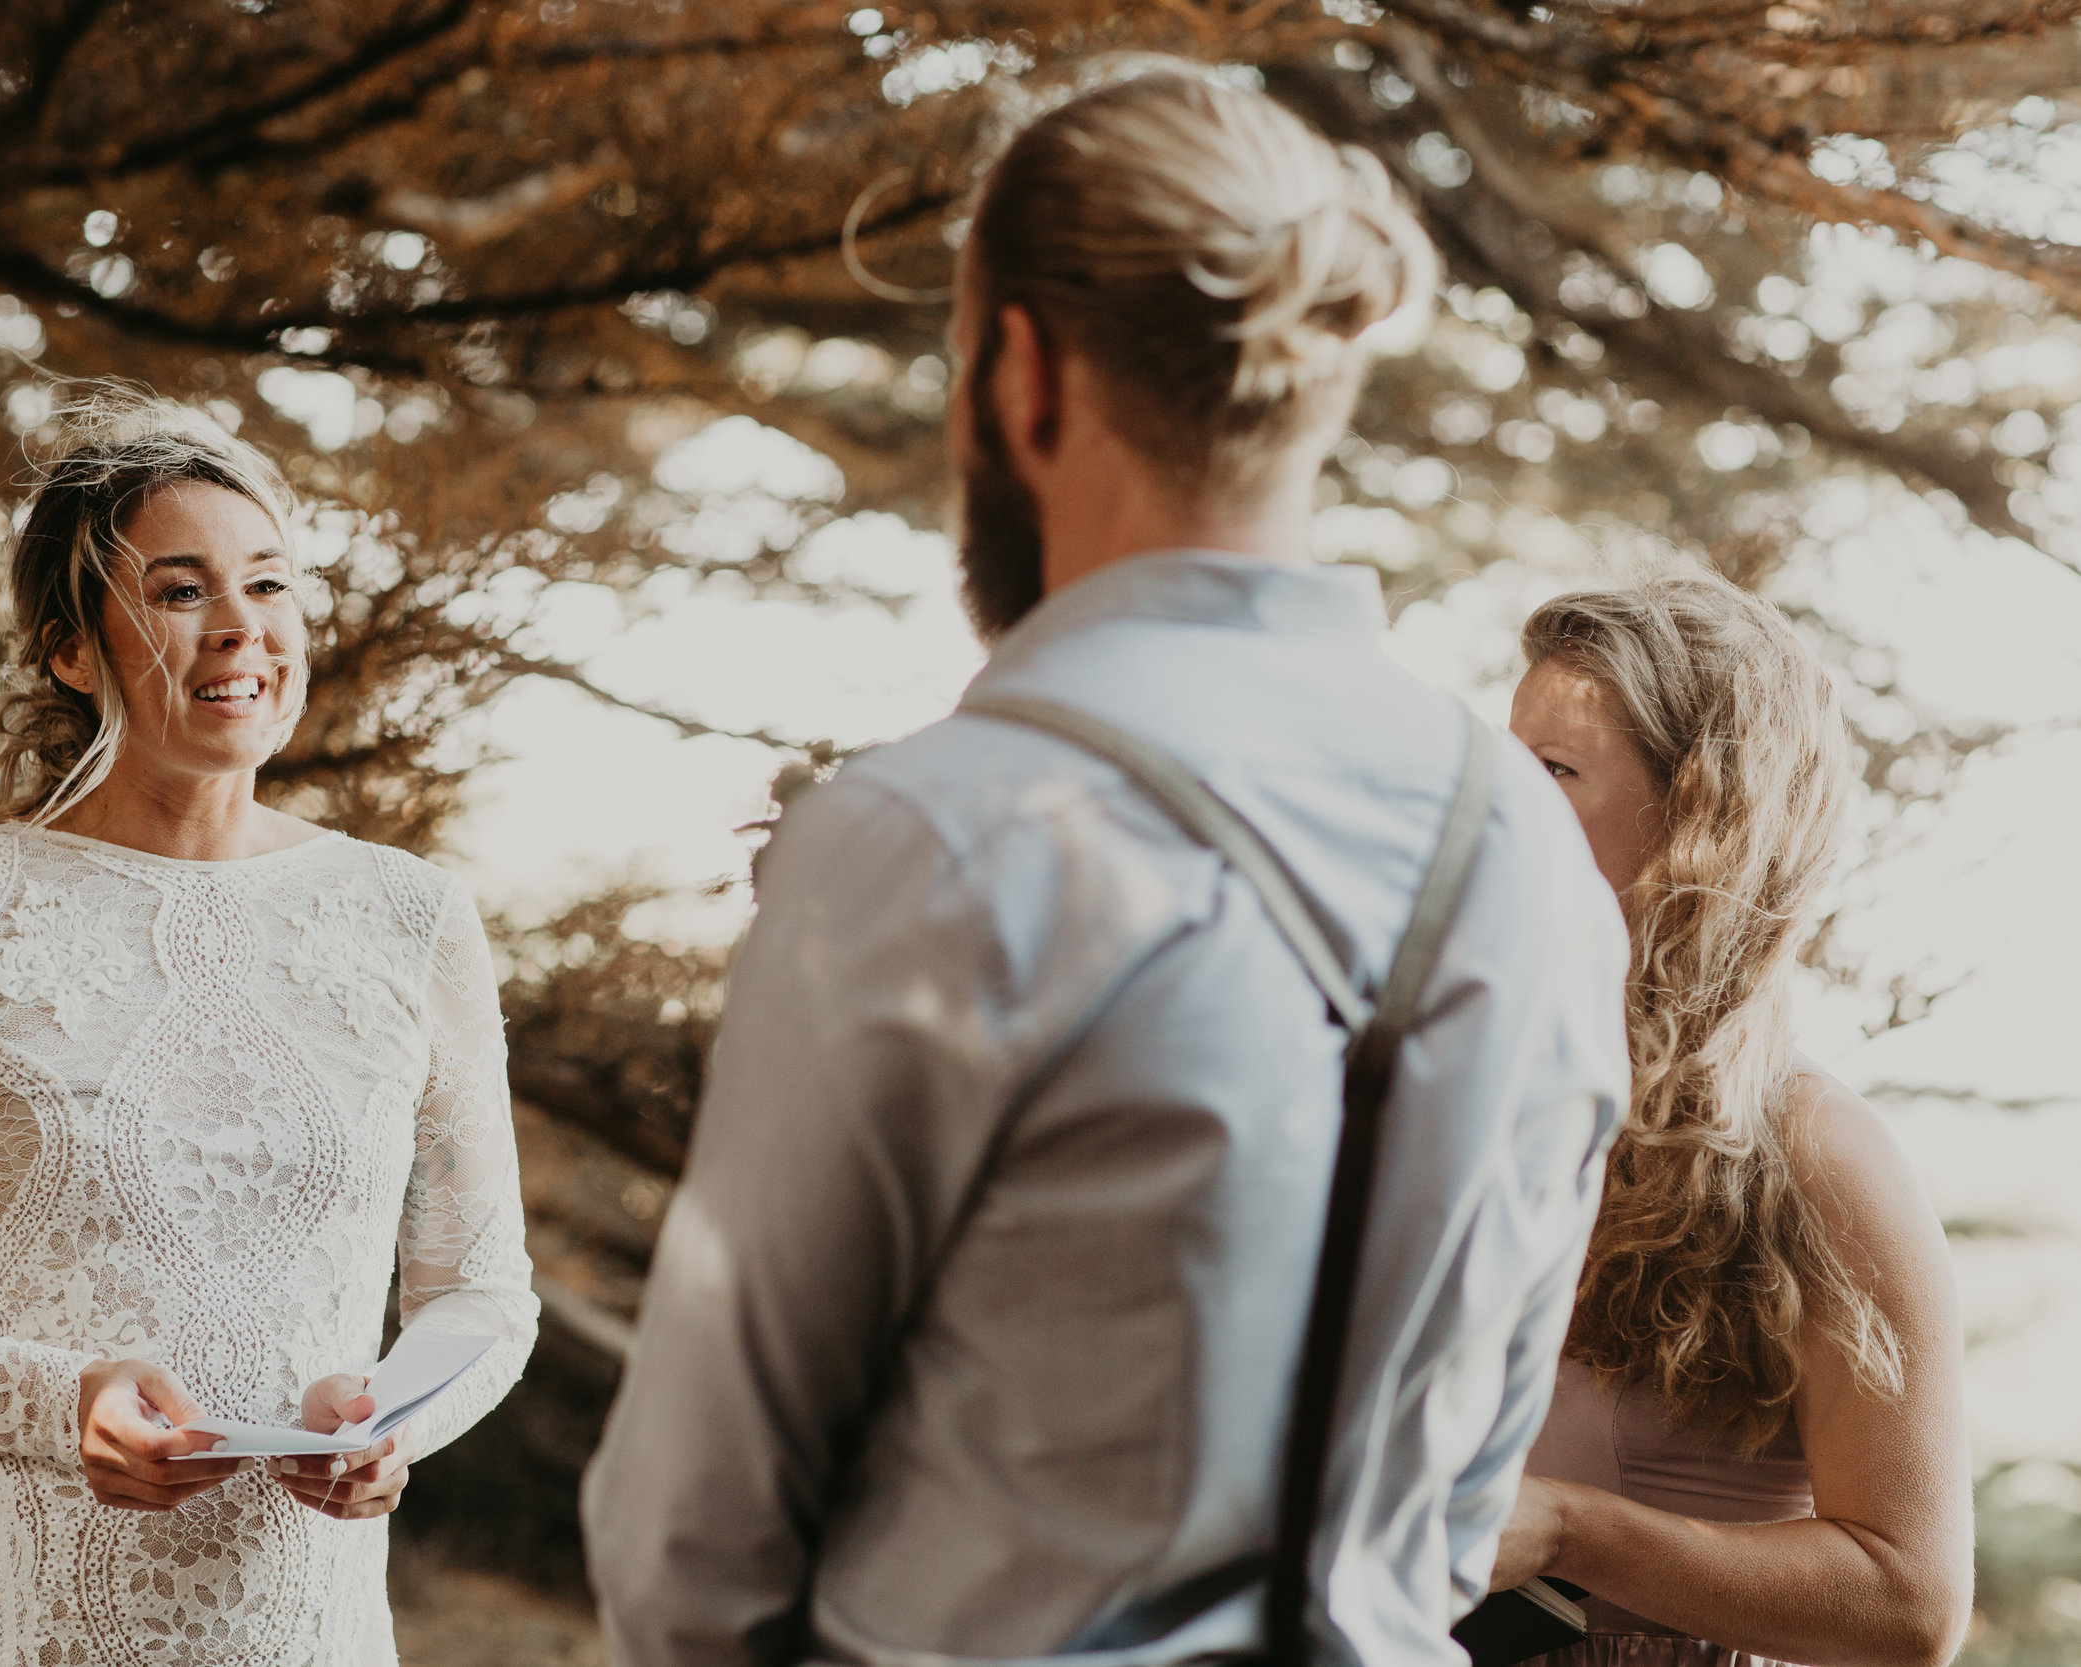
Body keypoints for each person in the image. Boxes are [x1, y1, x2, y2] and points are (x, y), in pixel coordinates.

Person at [581, 62, 1632, 1667]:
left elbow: (692, 1539)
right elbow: (1467, 1495)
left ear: (1019, 371)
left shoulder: (932, 837)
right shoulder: (1537, 860)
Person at [0, 389, 536, 1665]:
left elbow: (483, 1294)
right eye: (179, 592)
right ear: (69, 648)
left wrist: (387, 1420)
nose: (242, 627)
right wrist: (64, 1403)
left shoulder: (411, 913)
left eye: (270, 585)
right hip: (12, 1621)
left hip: (304, 1625)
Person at [1494, 574, 1971, 1667]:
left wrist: (1568, 1529)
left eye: (1554, 771)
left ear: (1702, 817)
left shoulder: (1819, 1154)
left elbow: (1911, 1606)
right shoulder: (1489, 1099)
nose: (1497, 807)